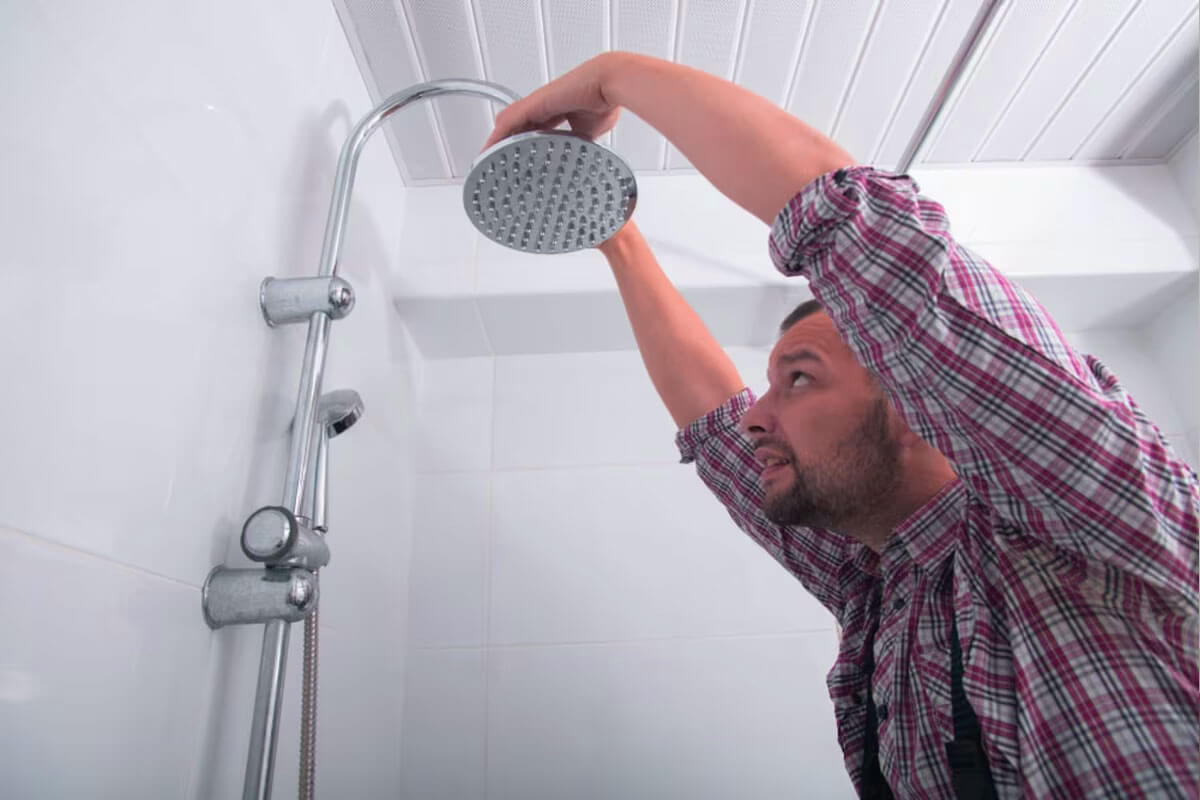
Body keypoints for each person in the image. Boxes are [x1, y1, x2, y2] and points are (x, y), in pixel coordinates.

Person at [484, 51, 1200, 798]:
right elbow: (713, 421)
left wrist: (612, 73)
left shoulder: (1086, 519)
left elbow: (865, 237)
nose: (757, 418)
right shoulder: (877, 586)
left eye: (798, 378)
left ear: (919, 403)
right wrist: (614, 231)